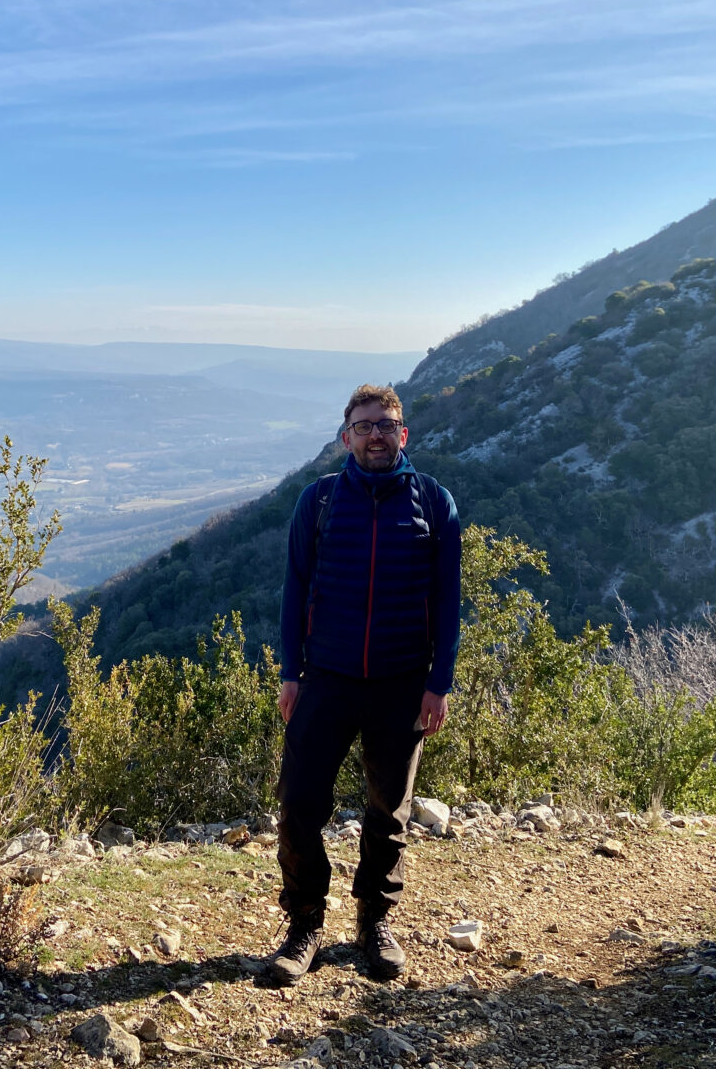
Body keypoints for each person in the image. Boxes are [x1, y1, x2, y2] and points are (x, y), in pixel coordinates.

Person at [267, 383, 461, 984]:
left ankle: (375, 922)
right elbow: (295, 590)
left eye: (386, 424)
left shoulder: (434, 501)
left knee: (389, 813)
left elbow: (449, 600)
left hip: (403, 683)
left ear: (403, 436)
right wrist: (290, 672)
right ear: (345, 435)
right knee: (299, 804)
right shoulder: (318, 501)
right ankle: (304, 926)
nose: (375, 433)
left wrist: (440, 682)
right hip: (325, 677)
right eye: (364, 424)